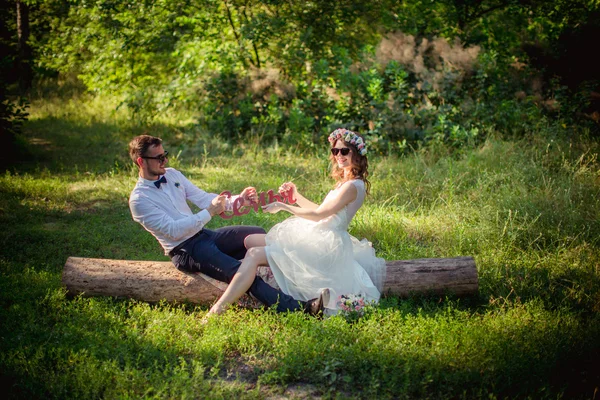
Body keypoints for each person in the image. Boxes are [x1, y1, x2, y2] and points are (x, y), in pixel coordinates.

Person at [127, 134, 329, 316]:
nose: (165, 161)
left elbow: (203, 197)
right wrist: (209, 212)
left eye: (165, 155)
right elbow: (174, 230)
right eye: (159, 158)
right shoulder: (139, 200)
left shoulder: (172, 175)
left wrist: (237, 200)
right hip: (185, 249)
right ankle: (301, 309)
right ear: (141, 162)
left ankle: (301, 274)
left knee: (255, 234)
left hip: (203, 235)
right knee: (241, 273)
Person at [206, 128, 386, 317]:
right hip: (319, 232)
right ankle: (247, 277)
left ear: (356, 153)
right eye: (335, 151)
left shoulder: (352, 186)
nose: (339, 156)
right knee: (250, 240)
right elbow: (323, 210)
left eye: (344, 151)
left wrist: (284, 206)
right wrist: (295, 196)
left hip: (324, 243)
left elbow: (319, 215)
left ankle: (219, 308)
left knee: (253, 253)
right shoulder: (346, 182)